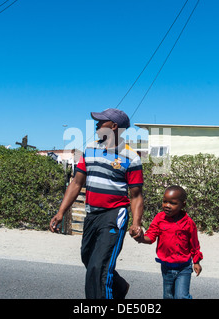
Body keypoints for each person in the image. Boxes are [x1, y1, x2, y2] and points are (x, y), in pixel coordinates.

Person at [49, 108, 144, 299]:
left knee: (99, 268)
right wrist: (60, 212)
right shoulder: (90, 149)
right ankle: (119, 286)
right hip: (92, 215)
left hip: (114, 215)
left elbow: (136, 195)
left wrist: (136, 223)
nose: (97, 124)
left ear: (114, 127)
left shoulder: (131, 157)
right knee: (88, 259)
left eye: (102, 121)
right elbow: (76, 183)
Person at [134, 185, 203, 299]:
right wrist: (140, 238)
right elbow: (150, 236)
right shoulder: (159, 218)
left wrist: (196, 262)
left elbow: (194, 245)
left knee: (181, 296)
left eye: (173, 203)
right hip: (166, 267)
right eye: (165, 201)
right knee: (168, 296)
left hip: (184, 268)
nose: (167, 206)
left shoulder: (189, 223)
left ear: (183, 204)